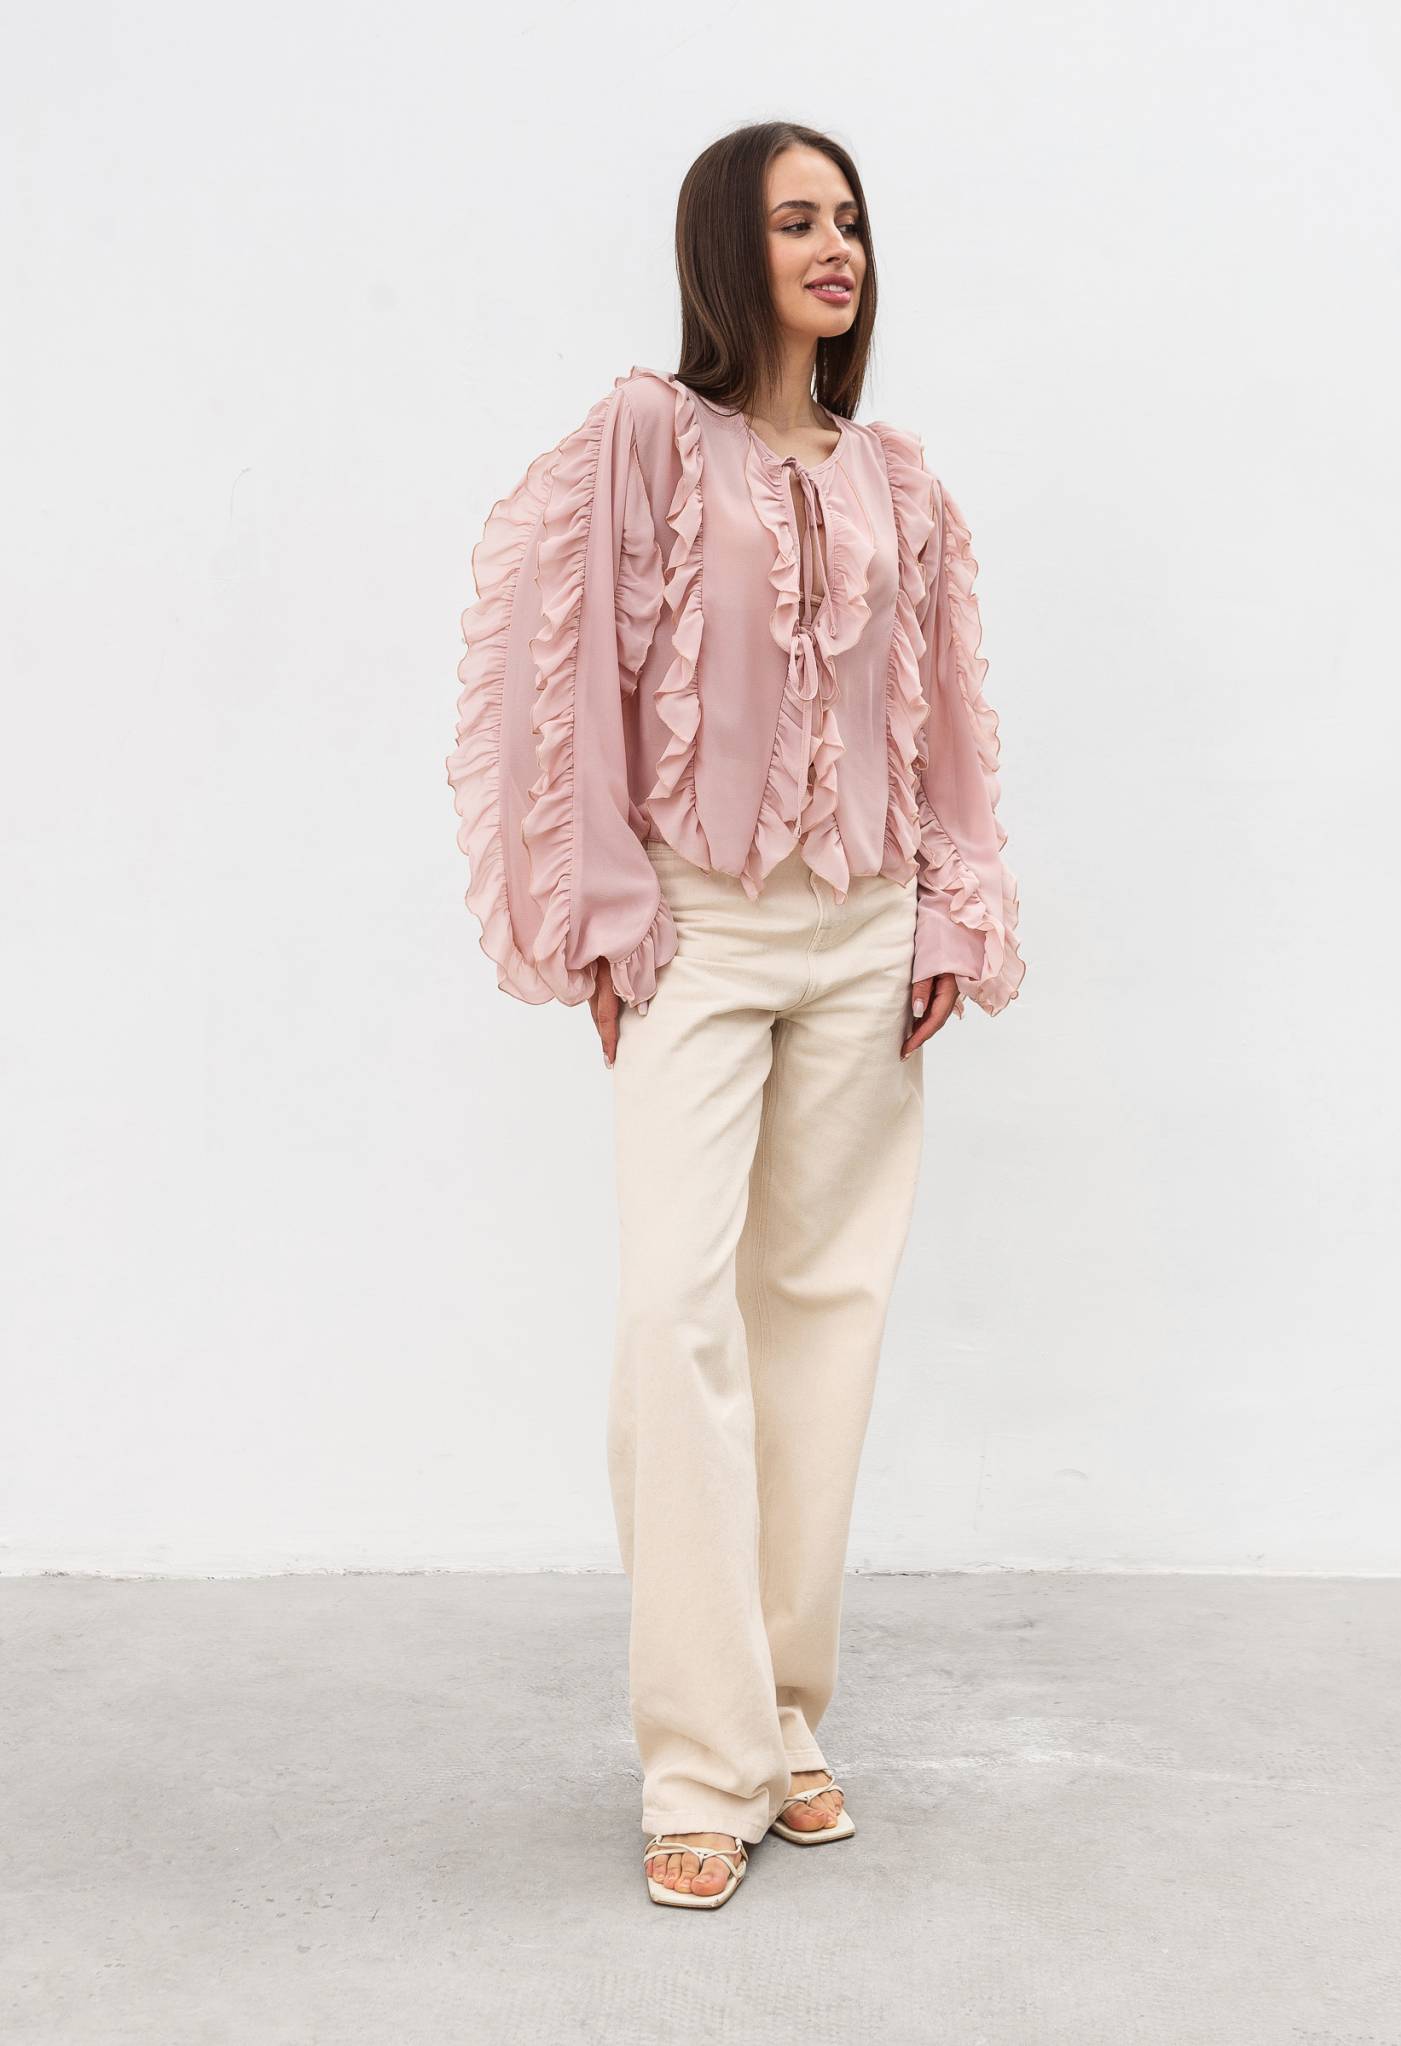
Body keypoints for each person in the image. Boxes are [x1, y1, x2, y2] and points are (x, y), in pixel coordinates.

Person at [446, 120, 1026, 1911]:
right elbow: (566, 678)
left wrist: (953, 900)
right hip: (698, 926)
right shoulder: (646, 437)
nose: (834, 246)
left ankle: (779, 1714)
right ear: (727, 247)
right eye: (794, 220)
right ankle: (697, 1759)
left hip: (866, 931)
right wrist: (602, 904)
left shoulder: (900, 480)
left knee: (822, 1318)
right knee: (675, 1313)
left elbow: (945, 712)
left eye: (848, 219)